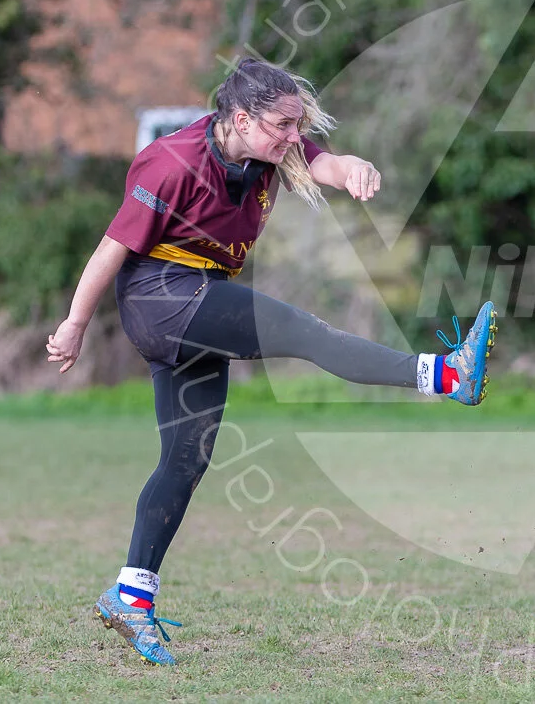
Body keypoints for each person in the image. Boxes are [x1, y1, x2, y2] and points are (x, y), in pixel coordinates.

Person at [45, 59, 497, 667]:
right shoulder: (170, 162)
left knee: (186, 458)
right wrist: (74, 325)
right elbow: (111, 250)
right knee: (302, 331)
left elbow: (322, 162)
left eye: (297, 124)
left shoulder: (271, 148)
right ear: (240, 118)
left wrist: (351, 168)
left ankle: (130, 596)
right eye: (284, 124)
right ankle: (446, 375)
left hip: (191, 305)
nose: (293, 135)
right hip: (164, 298)